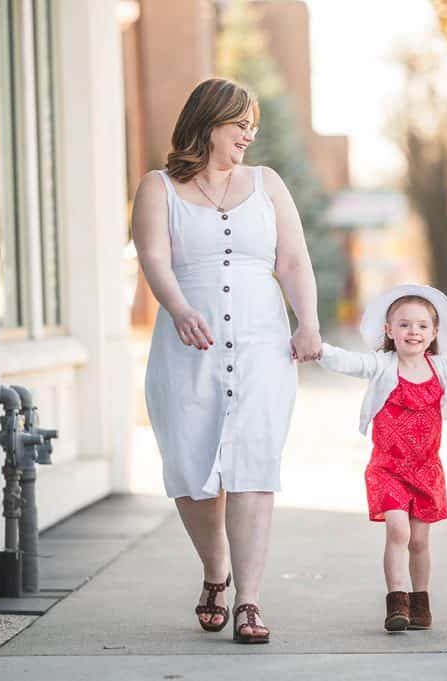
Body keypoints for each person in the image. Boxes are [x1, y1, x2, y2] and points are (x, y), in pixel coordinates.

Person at [134, 78, 322, 644]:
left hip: (264, 344)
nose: (249, 133)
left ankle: (249, 599)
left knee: (253, 466)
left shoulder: (267, 184)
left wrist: (307, 320)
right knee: (192, 472)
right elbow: (153, 256)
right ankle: (215, 570)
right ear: (208, 122)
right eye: (239, 122)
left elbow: (292, 260)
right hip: (187, 345)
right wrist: (179, 307)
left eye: (253, 125)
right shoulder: (158, 187)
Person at [317, 285, 447, 632]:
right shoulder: (381, 365)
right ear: (389, 331)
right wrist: (320, 350)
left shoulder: (444, 369)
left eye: (422, 326)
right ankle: (397, 602)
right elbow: (349, 362)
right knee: (398, 530)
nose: (413, 332)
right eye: (404, 325)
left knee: (419, 541)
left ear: (434, 332)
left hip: (426, 470)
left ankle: (421, 600)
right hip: (388, 468)